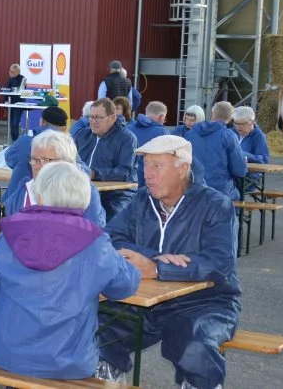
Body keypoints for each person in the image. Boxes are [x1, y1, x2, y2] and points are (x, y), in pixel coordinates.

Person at [96, 135, 241, 389]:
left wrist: (157, 269)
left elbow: (219, 263)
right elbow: (109, 237)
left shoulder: (216, 205)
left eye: (157, 166)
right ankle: (106, 380)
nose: (147, 175)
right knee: (95, 326)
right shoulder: (142, 200)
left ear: (183, 168)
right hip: (145, 303)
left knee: (194, 344)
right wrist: (154, 259)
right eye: (145, 166)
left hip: (205, 303)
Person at [0, 161, 140, 380]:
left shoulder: (9, 234)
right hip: (69, 361)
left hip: (8, 354)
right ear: (84, 199)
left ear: (41, 193)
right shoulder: (94, 242)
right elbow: (125, 285)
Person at [5, 129, 106, 228]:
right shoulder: (25, 189)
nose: (37, 166)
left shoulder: (84, 191)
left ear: (66, 163)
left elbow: (94, 232)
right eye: (34, 159)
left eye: (45, 160)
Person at [73, 98, 138, 221]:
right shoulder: (82, 135)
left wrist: (94, 173)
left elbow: (124, 172)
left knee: (111, 224)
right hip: (83, 191)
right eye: (90, 117)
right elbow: (71, 160)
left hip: (116, 195)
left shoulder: (127, 138)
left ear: (112, 118)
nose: (93, 121)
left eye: (98, 117)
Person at [184, 101, 247, 201]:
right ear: (231, 118)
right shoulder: (229, 136)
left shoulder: (190, 134)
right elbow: (240, 170)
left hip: (193, 188)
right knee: (239, 194)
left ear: (212, 114)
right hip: (220, 191)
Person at [4, 105, 67, 171]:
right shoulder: (69, 148)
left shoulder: (25, 141)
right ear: (64, 128)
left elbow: (9, 159)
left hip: (24, 180)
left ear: (43, 122)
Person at [128, 100, 169, 184]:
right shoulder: (162, 132)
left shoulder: (127, 128)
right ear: (161, 116)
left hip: (127, 180)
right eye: (165, 118)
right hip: (149, 181)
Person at [3, 62, 27, 141]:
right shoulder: (10, 79)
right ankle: (13, 140)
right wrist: (4, 102)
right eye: (10, 71)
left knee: (15, 124)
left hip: (18, 104)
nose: (11, 73)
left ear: (18, 72)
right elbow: (6, 90)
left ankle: (16, 141)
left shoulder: (22, 79)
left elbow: (20, 90)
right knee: (11, 125)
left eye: (13, 72)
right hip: (10, 104)